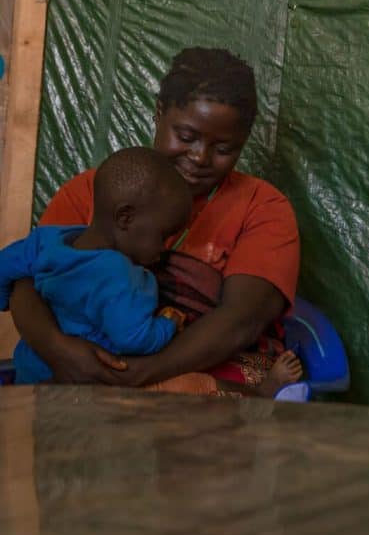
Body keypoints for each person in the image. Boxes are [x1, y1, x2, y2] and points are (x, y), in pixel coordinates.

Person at [8, 47, 302, 396]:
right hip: (79, 369)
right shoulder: (94, 191)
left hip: (199, 379)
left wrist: (140, 374)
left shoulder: (263, 207)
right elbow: (27, 282)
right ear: (159, 113)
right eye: (187, 136)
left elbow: (242, 320)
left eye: (224, 149)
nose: (199, 157)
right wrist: (61, 350)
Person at [0, 147, 191, 383]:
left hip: (29, 371)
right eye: (163, 236)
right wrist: (168, 322)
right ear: (125, 218)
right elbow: (135, 339)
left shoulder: (50, 239)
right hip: (78, 385)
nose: (163, 249)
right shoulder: (118, 275)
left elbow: (5, 265)